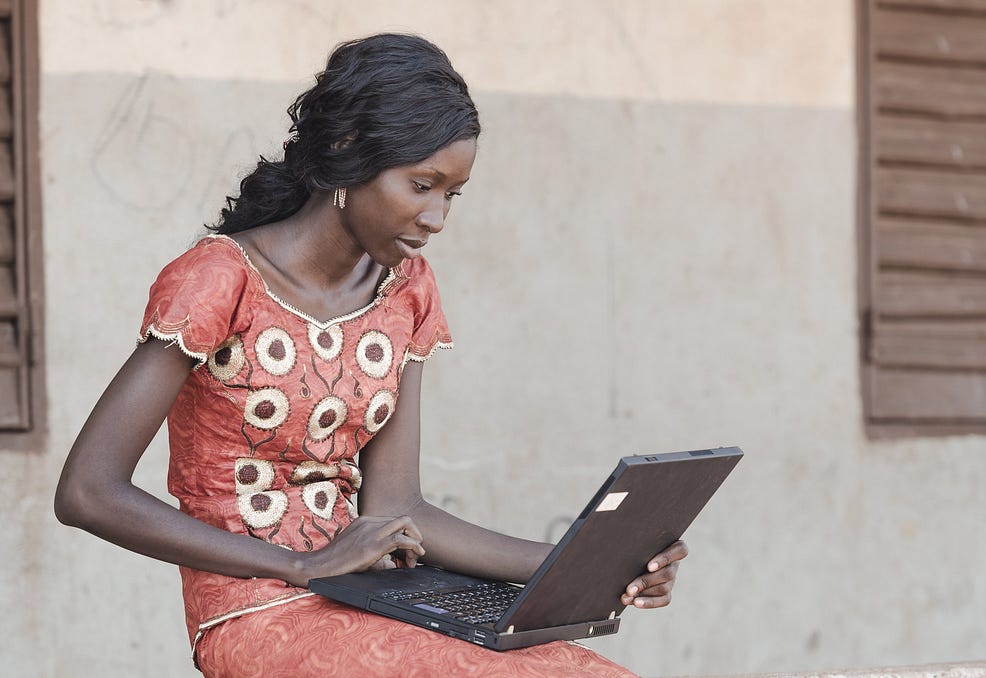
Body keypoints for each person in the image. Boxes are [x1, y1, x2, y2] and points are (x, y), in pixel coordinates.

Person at [54, 34, 688, 677]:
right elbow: (86, 490)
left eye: (452, 194)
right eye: (421, 184)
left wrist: (593, 564)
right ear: (345, 152)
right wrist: (300, 566)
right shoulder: (221, 280)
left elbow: (396, 510)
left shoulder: (406, 289)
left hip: (375, 596)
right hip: (255, 613)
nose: (437, 216)